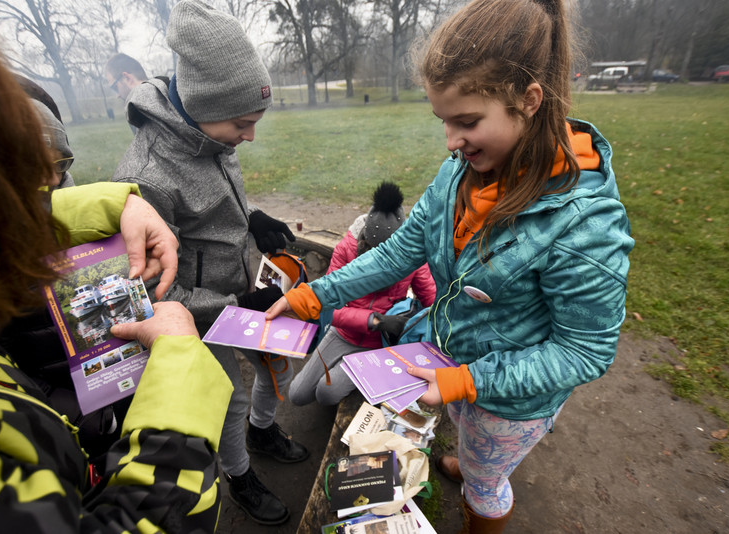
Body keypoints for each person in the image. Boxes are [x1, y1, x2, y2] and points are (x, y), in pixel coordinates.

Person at [267, 0, 634, 532]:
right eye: (443, 121)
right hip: (451, 366)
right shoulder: (458, 171)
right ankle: (476, 458)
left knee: (488, 486)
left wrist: (467, 382)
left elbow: (585, 350)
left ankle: (483, 482)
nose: (451, 142)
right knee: (473, 443)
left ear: (529, 101)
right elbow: (399, 251)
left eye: (467, 122)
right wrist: (314, 295)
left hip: (509, 398)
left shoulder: (584, 225)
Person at [0, 2, 233, 530]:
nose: (42, 195)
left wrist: (106, 204)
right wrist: (177, 379)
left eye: (57, 175)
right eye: (9, 180)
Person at [112, 1, 303, 525]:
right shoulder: (148, 174)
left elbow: (214, 209)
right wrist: (236, 302)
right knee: (229, 399)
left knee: (270, 366)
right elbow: (152, 294)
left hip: (235, 293)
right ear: (201, 104)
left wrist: (253, 218)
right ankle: (238, 475)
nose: (250, 137)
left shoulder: (208, 132)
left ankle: (261, 435)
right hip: (197, 314)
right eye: (243, 123)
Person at [288, 181, 436, 406]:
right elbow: (328, 309)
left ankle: (362, 384)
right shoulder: (346, 248)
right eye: (372, 251)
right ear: (364, 238)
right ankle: (358, 380)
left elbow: (432, 302)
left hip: (379, 345)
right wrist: (374, 320)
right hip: (343, 333)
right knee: (297, 394)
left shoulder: (411, 256)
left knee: (326, 394)